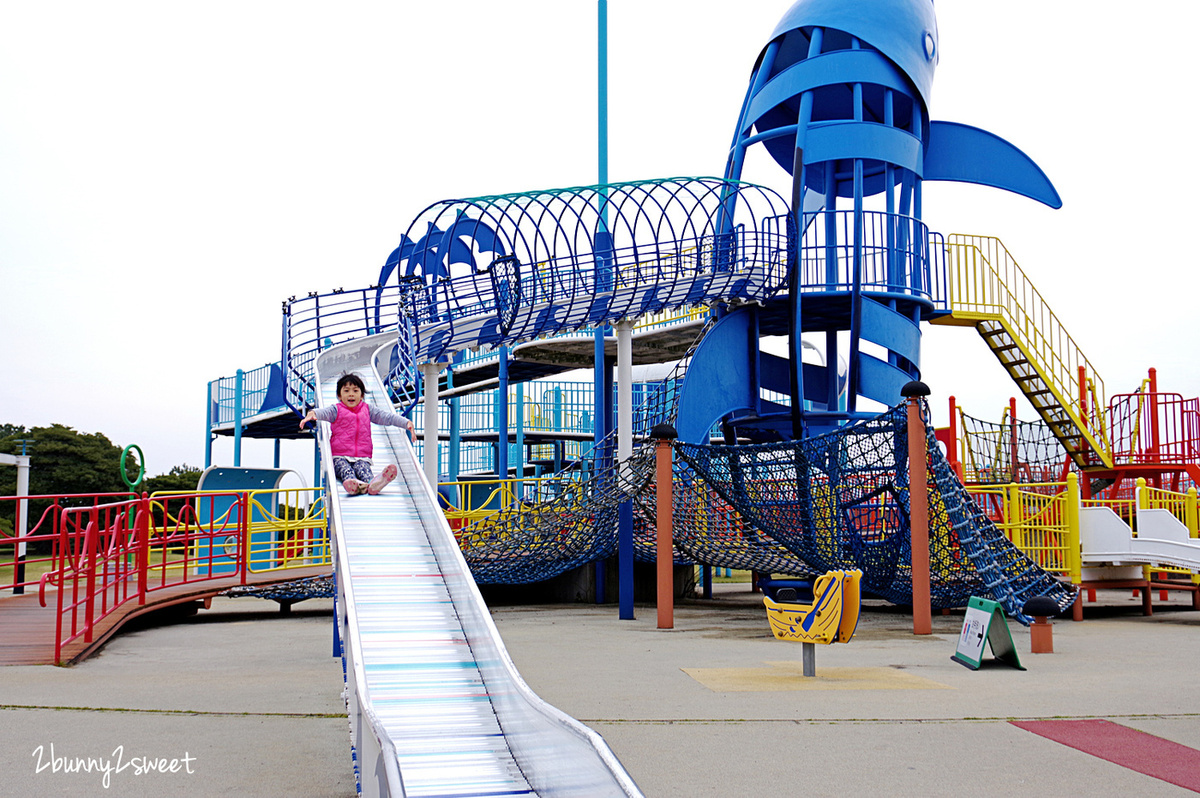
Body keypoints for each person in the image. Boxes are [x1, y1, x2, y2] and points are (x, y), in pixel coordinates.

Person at [299, 373, 415, 495]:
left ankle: (373, 483)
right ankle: (353, 483)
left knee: (363, 469)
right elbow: (323, 412)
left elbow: (387, 417)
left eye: (355, 391)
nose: (351, 394)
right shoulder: (336, 410)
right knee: (345, 469)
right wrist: (312, 413)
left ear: (362, 395)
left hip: (361, 456)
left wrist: (405, 422)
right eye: (346, 391)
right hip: (340, 455)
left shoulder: (368, 409)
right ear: (339, 395)